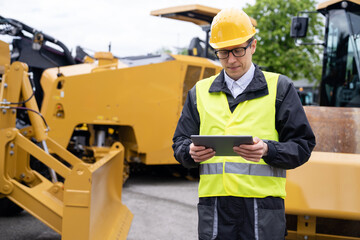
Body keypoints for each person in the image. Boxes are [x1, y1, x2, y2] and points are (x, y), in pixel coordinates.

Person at [172, 7, 316, 240]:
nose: (231, 60)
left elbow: (303, 146)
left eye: (238, 50)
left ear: (253, 46)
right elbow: (179, 142)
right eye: (223, 52)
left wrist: (268, 149)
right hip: (216, 207)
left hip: (262, 209)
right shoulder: (199, 92)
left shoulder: (280, 88)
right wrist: (189, 152)